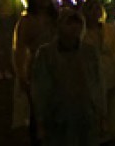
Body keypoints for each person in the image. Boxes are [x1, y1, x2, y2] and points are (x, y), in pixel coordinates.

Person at [32, 9, 105, 146]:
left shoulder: (89, 52)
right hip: (57, 114)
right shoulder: (46, 53)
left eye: (77, 23)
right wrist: (40, 120)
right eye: (69, 23)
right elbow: (41, 88)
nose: (74, 27)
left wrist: (101, 112)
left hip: (85, 113)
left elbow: (97, 83)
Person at [13, 0, 59, 146]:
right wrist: (21, 73)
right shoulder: (27, 20)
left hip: (57, 65)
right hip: (36, 66)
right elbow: (19, 48)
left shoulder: (57, 19)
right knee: (37, 106)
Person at [80, 0, 115, 144]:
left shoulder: (109, 29)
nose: (94, 12)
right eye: (90, 9)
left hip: (110, 71)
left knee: (113, 108)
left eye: (97, 8)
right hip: (91, 75)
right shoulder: (82, 32)